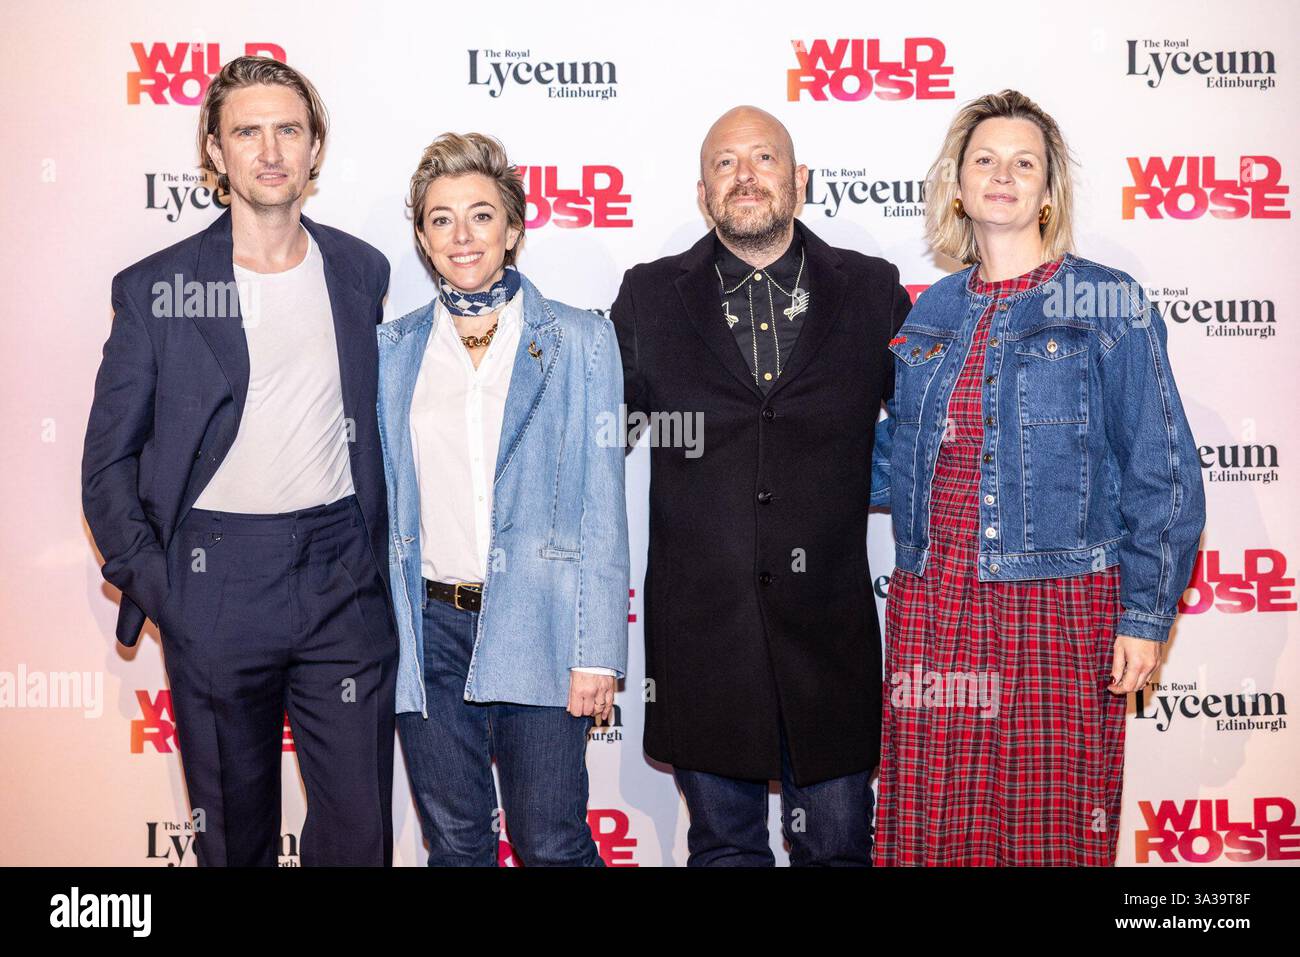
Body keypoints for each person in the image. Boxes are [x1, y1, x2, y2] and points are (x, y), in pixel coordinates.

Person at [874, 89, 1206, 866]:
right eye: (984, 160)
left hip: (1059, 600)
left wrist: (1147, 615)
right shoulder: (932, 313)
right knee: (935, 831)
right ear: (955, 185)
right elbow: (897, 461)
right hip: (935, 598)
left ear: (1049, 190)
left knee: (1049, 831)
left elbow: (1162, 467)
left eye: (1024, 163)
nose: (1002, 175)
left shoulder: (1106, 301)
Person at [81, 57, 397, 866]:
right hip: (213, 580)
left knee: (361, 836)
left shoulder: (359, 272)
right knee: (234, 839)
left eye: (288, 129)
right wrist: (167, 591)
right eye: (246, 131)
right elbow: (106, 465)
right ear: (216, 154)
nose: (269, 150)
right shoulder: (159, 289)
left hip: (341, 578)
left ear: (314, 146)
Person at [611, 106, 910, 866]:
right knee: (723, 849)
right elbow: (593, 440)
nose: (745, 176)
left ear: (799, 179)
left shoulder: (872, 291)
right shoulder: (648, 297)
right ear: (703, 191)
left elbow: (929, 437)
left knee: (840, 848)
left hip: (830, 639)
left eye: (764, 159)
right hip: (702, 639)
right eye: (725, 163)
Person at [378, 133, 628, 867]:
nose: (463, 235)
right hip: (428, 631)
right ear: (422, 238)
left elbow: (603, 507)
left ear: (513, 228)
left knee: (551, 842)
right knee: (456, 844)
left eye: (481, 215)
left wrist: (598, 653)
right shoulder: (393, 350)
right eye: (441, 218)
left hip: (543, 626)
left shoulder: (581, 339)